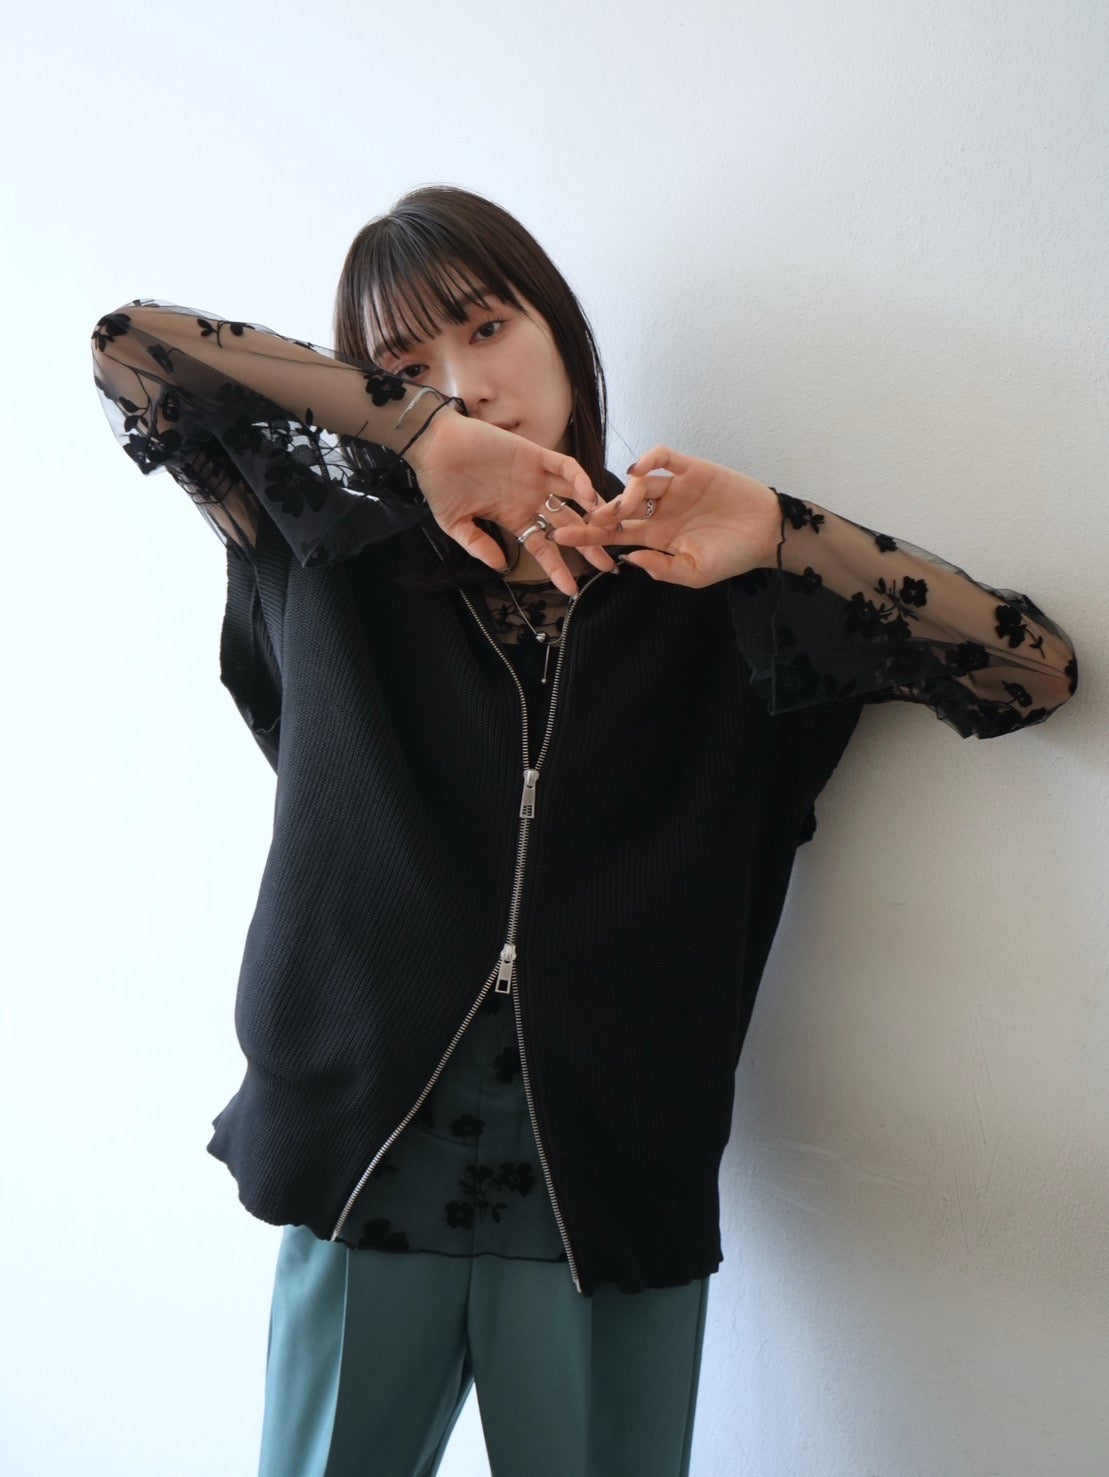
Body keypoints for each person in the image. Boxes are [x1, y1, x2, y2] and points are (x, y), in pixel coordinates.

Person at [90, 185, 1077, 1477]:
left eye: (487, 327)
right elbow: (130, 349)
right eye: (407, 365)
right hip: (359, 1170)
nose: (467, 383)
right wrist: (415, 440)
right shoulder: (322, 550)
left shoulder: (722, 596)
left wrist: (782, 534)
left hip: (608, 1196)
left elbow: (1029, 671)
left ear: (559, 327)